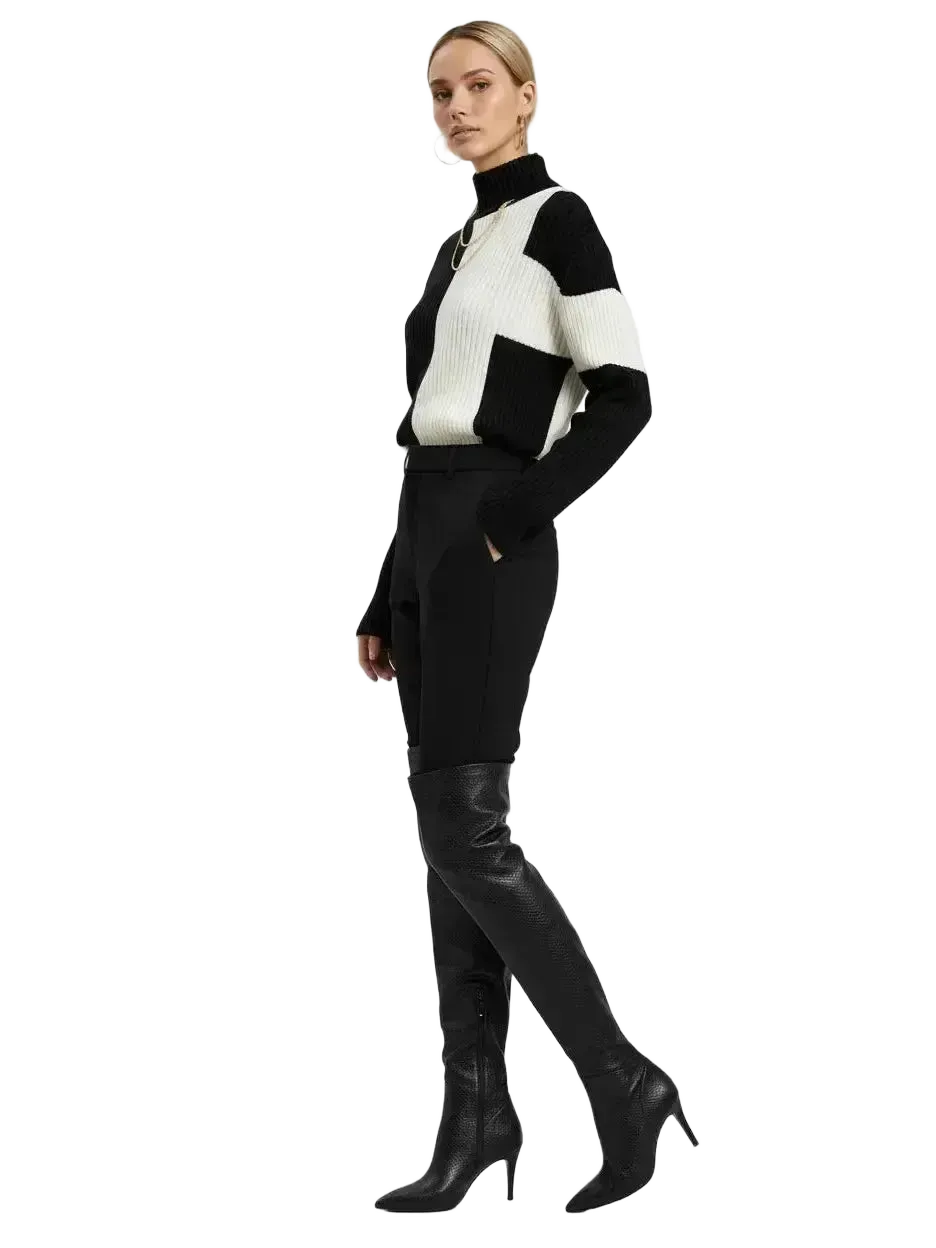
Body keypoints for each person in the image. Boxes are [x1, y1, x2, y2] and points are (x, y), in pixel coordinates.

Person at [354, 21, 700, 1215]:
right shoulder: (461, 246)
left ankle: (622, 1081)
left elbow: (626, 394)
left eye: (478, 85)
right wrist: (385, 589)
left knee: (468, 834)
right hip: (427, 536)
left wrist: (512, 516)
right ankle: (476, 1117)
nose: (456, 107)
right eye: (439, 92)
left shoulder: (557, 222)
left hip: (491, 543)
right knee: (446, 839)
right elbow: (431, 423)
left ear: (526, 96)